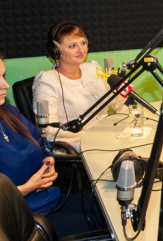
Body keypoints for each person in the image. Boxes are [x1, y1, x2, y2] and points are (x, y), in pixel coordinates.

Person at [0, 47, 105, 236]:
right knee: (106, 222)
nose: (5, 85)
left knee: (113, 205)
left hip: (53, 200)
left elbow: (41, 143)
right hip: (24, 219)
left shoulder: (9, 113)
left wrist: (49, 160)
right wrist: (25, 189)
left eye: (3, 76)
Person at [33, 22, 126, 152]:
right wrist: (94, 139)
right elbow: (49, 130)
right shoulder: (47, 80)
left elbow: (115, 102)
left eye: (83, 43)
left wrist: (132, 116)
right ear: (56, 51)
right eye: (72, 46)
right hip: (77, 146)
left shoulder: (92, 68)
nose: (81, 50)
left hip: (108, 135)